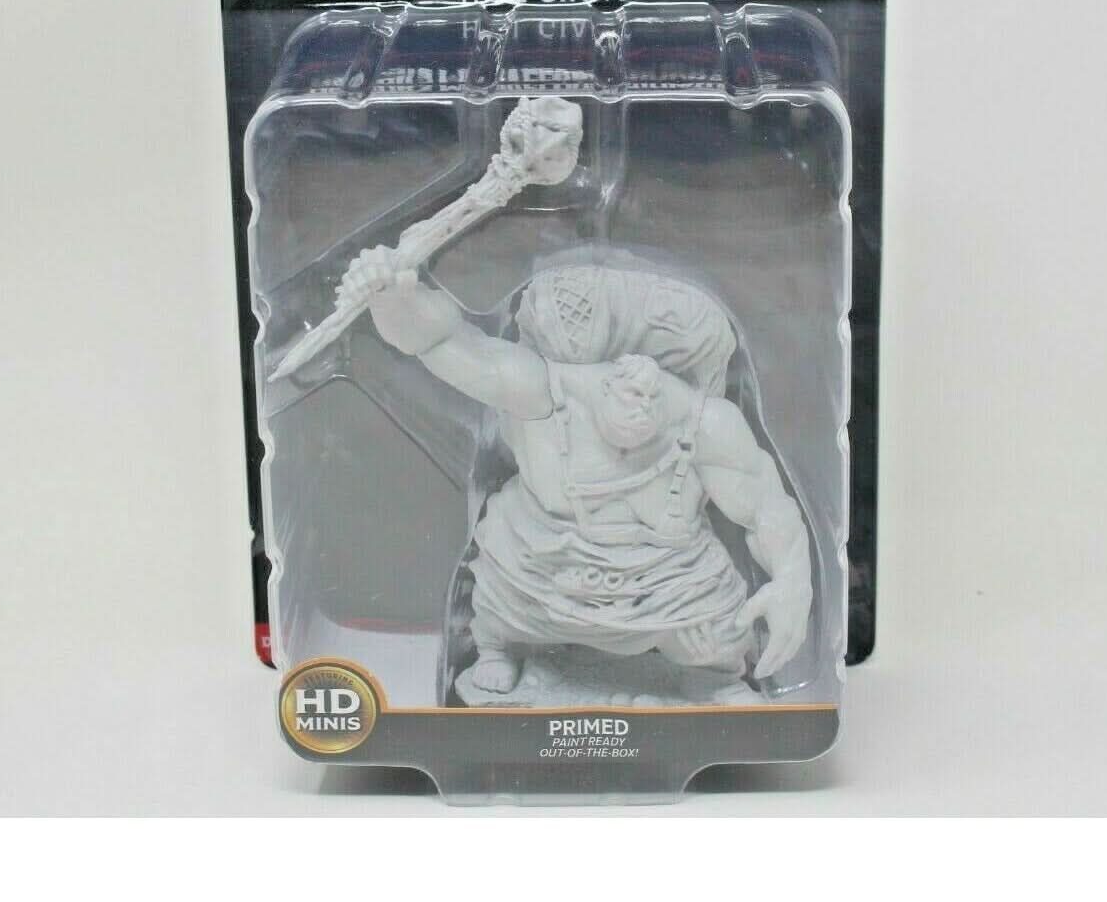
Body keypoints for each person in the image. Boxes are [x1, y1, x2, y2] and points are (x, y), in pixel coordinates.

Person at [337, 250, 813, 696]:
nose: (642, 409)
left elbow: (766, 506)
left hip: (669, 582)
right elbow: (446, 345)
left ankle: (717, 681)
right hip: (541, 570)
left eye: (655, 399)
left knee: (720, 640)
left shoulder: (705, 423)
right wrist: (392, 298)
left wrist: (792, 581)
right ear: (602, 384)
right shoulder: (545, 391)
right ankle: (498, 649)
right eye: (629, 396)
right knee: (501, 616)